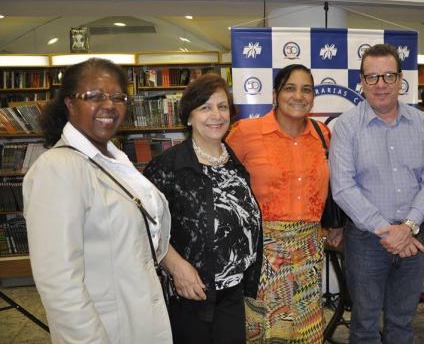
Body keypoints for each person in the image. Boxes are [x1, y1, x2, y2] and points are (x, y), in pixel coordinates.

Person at [23, 58, 172, 343]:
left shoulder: (114, 160)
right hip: (104, 330)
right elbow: (59, 283)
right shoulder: (58, 168)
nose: (110, 104)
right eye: (94, 96)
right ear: (69, 103)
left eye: (118, 97)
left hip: (139, 317)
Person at [329, 43, 424, 344]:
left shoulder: (423, 124)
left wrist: (407, 228)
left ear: (401, 79)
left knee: (403, 322)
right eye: (372, 77)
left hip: (414, 237)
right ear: (362, 82)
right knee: (365, 324)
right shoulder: (346, 127)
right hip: (367, 240)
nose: (380, 85)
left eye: (389, 76)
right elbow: (343, 187)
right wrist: (388, 231)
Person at [143, 73, 262, 344]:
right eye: (205, 107)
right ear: (188, 116)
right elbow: (146, 226)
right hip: (190, 293)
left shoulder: (234, 164)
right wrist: (175, 266)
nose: (216, 115)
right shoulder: (167, 167)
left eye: (222, 107)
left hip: (232, 291)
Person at [227, 64, 340, 343]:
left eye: (306, 89)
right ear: (276, 94)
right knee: (266, 330)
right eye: (290, 88)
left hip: (310, 252)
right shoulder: (245, 132)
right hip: (264, 254)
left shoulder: (323, 135)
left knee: (307, 329)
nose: (298, 96)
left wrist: (337, 226)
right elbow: (222, 182)